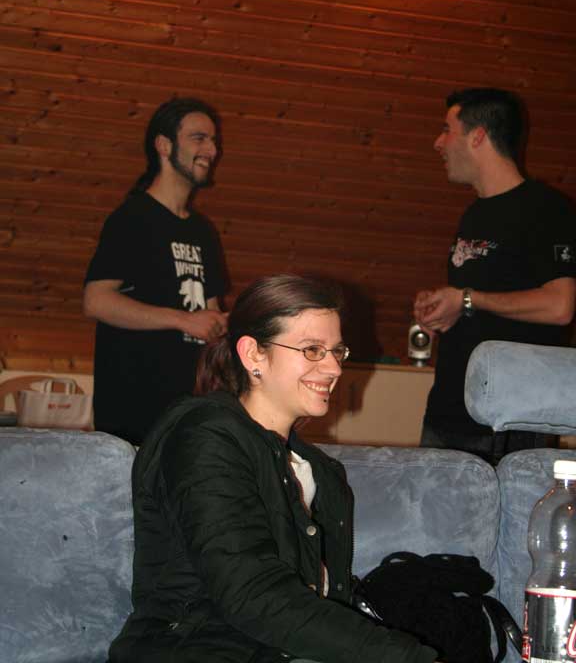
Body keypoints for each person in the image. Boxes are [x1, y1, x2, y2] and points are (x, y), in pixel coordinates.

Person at [108, 274, 438, 663]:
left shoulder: (320, 471)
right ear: (253, 355)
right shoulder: (205, 437)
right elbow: (251, 594)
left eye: (337, 351)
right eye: (312, 350)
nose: (333, 368)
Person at [414, 88, 576, 463]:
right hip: (449, 413)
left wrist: (467, 298)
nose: (438, 142)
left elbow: (560, 306)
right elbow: (475, 303)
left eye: (447, 130)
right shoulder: (474, 214)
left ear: (478, 136)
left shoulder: (548, 210)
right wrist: (444, 308)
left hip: (510, 425)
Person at [84, 97, 228, 445]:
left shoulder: (203, 231)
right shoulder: (132, 218)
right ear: (164, 145)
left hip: (189, 414)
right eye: (199, 138)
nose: (211, 150)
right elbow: (96, 301)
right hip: (134, 415)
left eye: (213, 141)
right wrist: (182, 320)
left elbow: (209, 315)